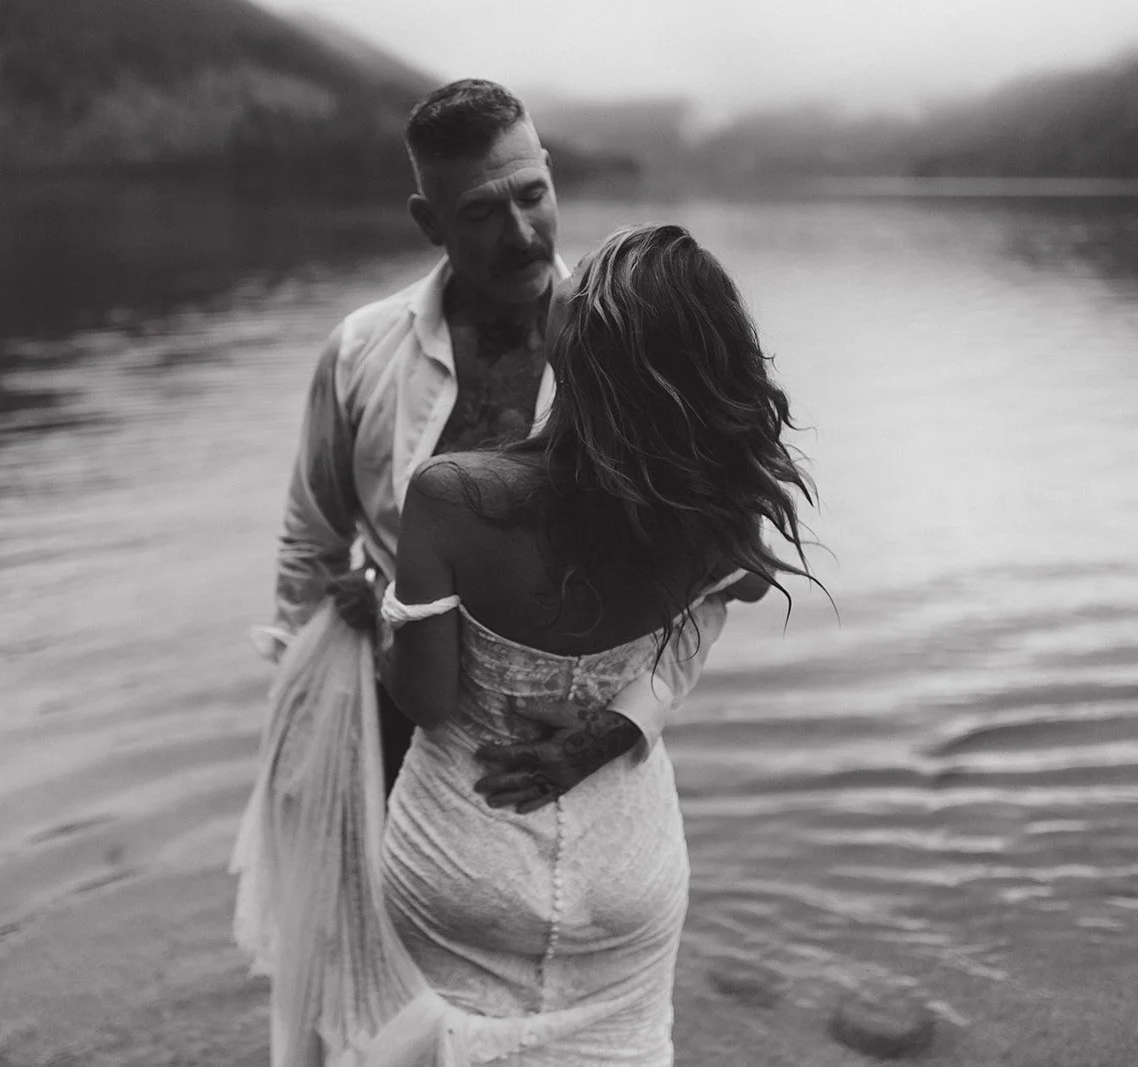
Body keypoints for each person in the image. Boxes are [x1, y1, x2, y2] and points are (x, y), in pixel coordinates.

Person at [375, 222, 813, 1064]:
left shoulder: (454, 498)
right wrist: (616, 726)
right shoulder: (716, 515)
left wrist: (385, 612)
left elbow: (425, 698)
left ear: (569, 353)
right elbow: (731, 597)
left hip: (464, 853)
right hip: (627, 868)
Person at [258, 79, 726, 809]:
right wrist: (302, 712)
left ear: (548, 172)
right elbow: (309, 542)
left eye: (532, 194)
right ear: (428, 219)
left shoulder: (635, 348)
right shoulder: (357, 353)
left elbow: (723, 573)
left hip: (585, 730)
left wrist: (617, 726)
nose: (519, 233)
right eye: (480, 211)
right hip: (393, 713)